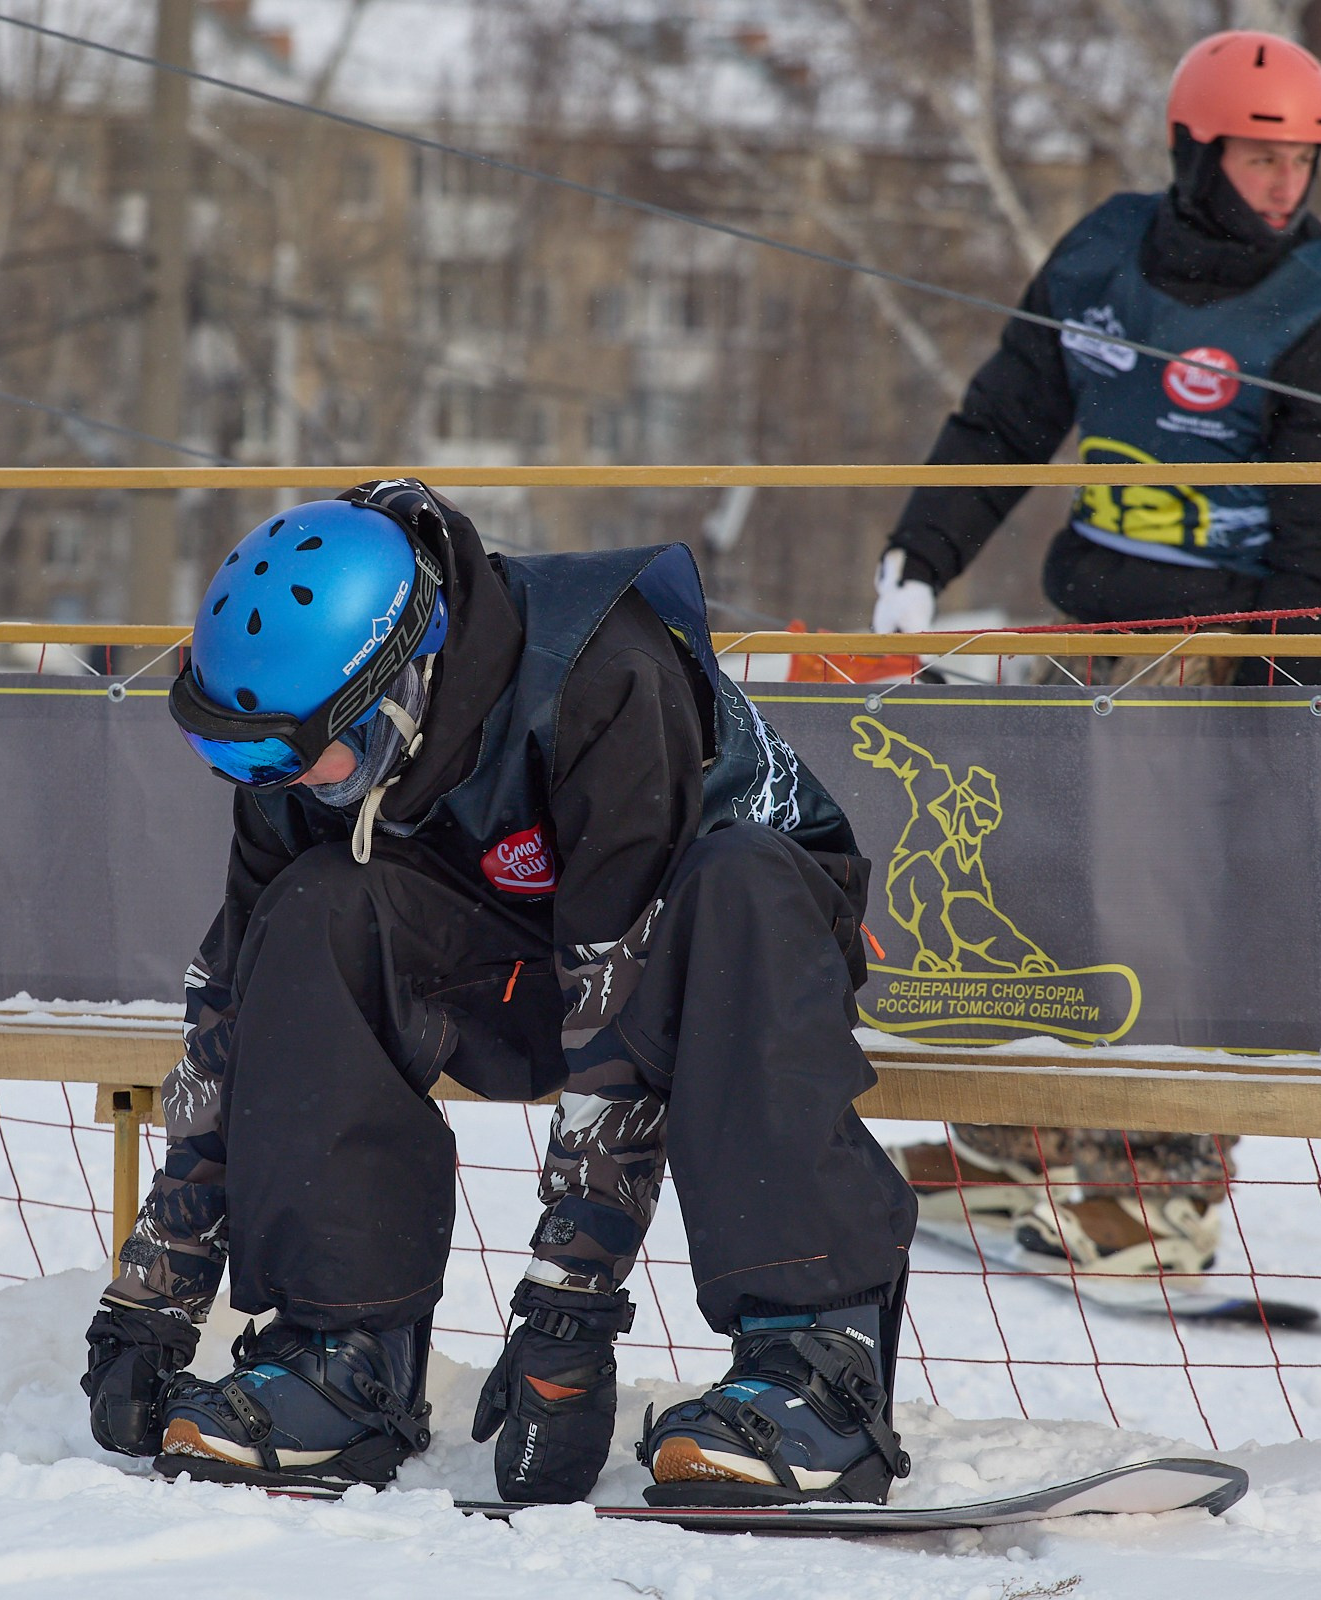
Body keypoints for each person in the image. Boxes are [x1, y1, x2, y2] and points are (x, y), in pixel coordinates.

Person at [80, 479, 919, 1507]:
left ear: (395, 685)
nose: (264, 776)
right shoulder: (299, 766)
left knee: (737, 877)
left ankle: (814, 1362)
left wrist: (569, 1311)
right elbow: (231, 1016)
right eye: (227, 753)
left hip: (724, 950)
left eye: (275, 751)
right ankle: (344, 1356)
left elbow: (618, 1000)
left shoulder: (598, 677)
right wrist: (156, 1294)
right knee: (315, 904)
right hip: (518, 955)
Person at [868, 31, 1321, 1280]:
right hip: (1090, 633)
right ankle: (1010, 1150)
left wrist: (1279, 703)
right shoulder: (1103, 253)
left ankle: (1163, 1189)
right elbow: (1006, 415)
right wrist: (920, 554)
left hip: (1221, 653)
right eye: (1260, 155)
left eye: (1303, 160)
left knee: (1159, 905)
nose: (1283, 184)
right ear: (1195, 152)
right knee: (1008, 864)